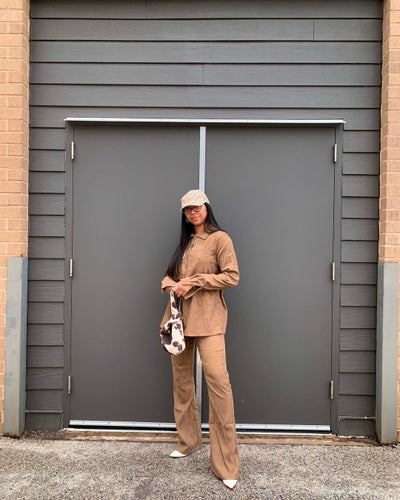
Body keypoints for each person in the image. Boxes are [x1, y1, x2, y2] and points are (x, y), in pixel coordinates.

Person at [160, 189, 240, 490]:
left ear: (206, 207)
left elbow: (231, 276)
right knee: (181, 382)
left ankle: (227, 464)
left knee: (218, 384)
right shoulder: (185, 243)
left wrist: (193, 282)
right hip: (179, 322)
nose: (193, 212)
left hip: (209, 322)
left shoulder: (220, 239)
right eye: (187, 210)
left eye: (197, 207)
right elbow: (168, 277)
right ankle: (188, 441)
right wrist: (170, 283)